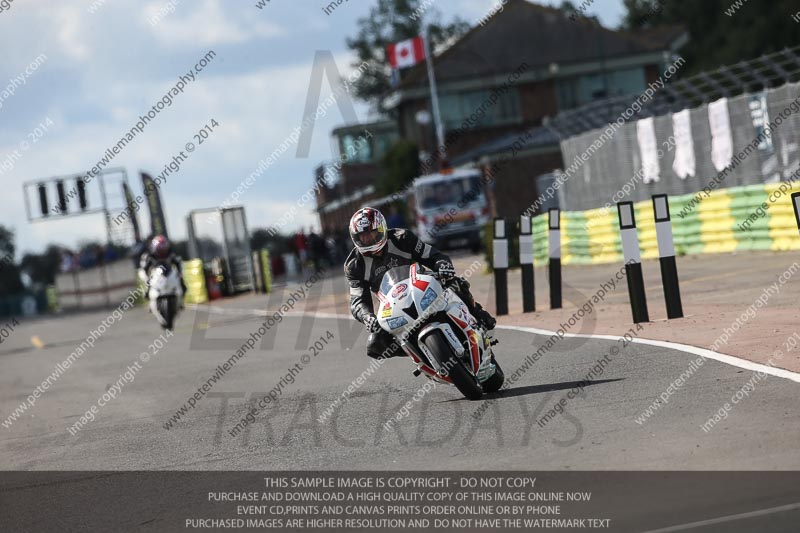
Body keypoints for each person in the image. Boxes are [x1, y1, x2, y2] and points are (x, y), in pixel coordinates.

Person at [344, 207, 495, 360]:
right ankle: (419, 354)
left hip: (422, 284)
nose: (368, 239)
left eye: (372, 233)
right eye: (363, 236)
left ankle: (477, 313)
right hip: (392, 305)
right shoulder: (354, 265)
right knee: (375, 345)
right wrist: (367, 317)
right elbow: (358, 300)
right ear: (355, 238)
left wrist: (442, 265)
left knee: (455, 283)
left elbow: (432, 255)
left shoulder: (401, 238)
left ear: (382, 228)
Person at [138, 235, 186, 304]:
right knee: (148, 282)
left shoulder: (171, 254)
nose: (162, 252)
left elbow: (178, 263)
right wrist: (146, 277)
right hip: (156, 273)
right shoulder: (149, 256)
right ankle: (147, 293)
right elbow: (145, 268)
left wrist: (179, 274)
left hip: (169, 272)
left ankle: (182, 296)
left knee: (181, 280)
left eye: (163, 249)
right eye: (160, 250)